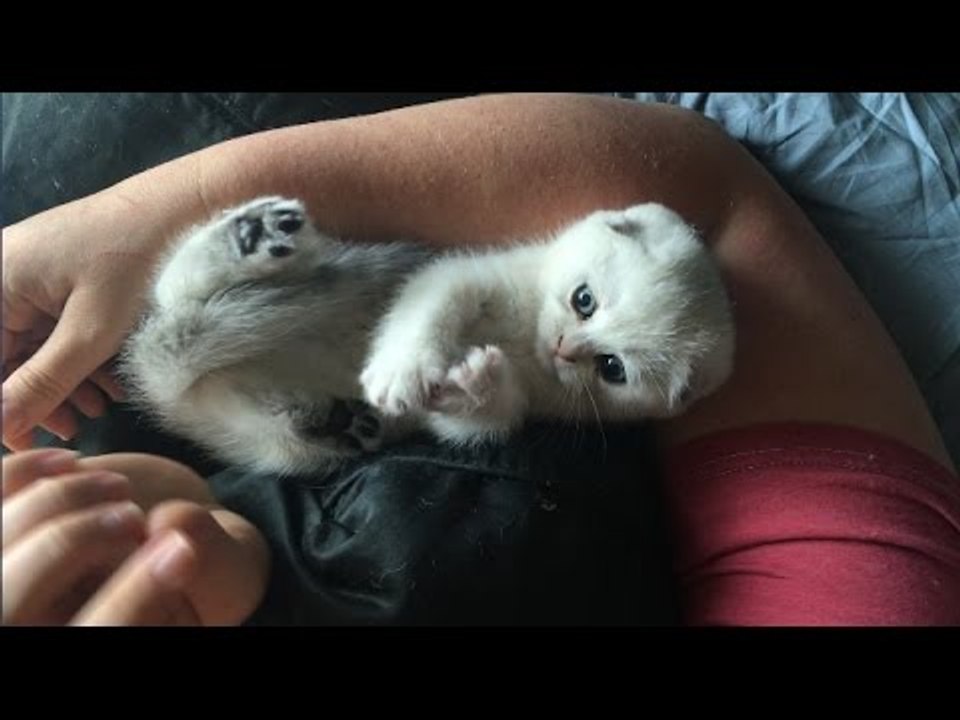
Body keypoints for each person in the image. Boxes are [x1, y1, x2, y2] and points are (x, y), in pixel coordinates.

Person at [3, 93, 959, 625]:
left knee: (217, 386)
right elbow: (702, 199)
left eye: (612, 370)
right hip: (287, 357)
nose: (570, 348)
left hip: (277, 445)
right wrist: (137, 221)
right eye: (585, 308)